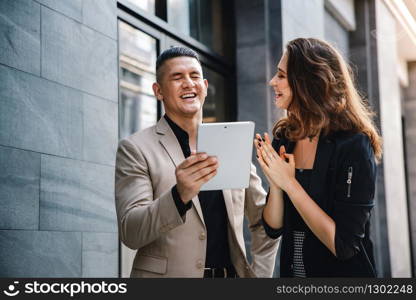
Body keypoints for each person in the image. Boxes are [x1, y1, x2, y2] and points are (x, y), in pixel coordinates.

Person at [115, 46, 278, 278]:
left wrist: (259, 276)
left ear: (205, 87)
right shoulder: (135, 148)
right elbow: (131, 231)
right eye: (177, 77)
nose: (188, 83)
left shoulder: (231, 143)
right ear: (158, 91)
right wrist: (178, 196)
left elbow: (265, 223)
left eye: (194, 76)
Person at [254, 38, 382, 277]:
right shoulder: (285, 137)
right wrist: (275, 180)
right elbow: (273, 228)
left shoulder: (354, 145)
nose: (272, 81)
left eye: (281, 76)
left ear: (308, 83)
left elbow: (344, 245)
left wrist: (290, 184)